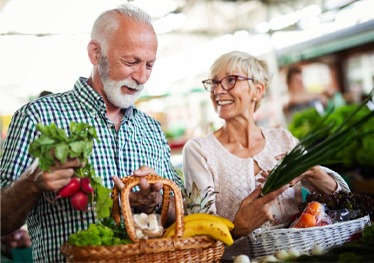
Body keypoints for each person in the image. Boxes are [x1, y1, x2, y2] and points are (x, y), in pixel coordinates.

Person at [0, 4, 182, 262]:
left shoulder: (151, 128)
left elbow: (182, 210)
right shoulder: (37, 118)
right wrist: (31, 182)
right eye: (131, 62)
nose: (141, 77)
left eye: (149, 65)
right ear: (95, 53)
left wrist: (156, 200)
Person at [182, 51, 350, 260]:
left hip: (303, 256)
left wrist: (313, 172)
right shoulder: (199, 151)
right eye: (213, 83)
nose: (217, 90)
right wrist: (237, 229)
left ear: (257, 90)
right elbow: (200, 235)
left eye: (230, 80)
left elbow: (345, 200)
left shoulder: (284, 140)